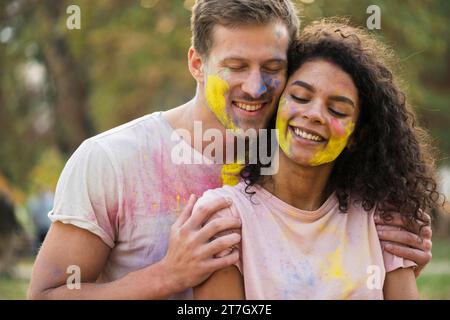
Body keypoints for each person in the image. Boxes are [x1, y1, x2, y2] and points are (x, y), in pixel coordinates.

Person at [28, 1, 431, 300]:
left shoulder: (307, 162)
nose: (256, 88)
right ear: (197, 64)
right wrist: (168, 276)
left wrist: (392, 259)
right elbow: (46, 296)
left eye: (272, 69)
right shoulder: (112, 159)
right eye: (236, 66)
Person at [194, 19, 441, 299]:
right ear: (276, 106)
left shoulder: (381, 217)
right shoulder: (225, 219)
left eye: (337, 110)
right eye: (300, 97)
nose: (313, 114)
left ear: (356, 135)